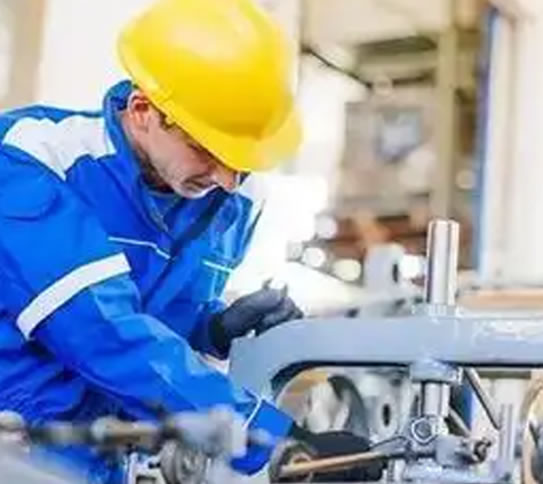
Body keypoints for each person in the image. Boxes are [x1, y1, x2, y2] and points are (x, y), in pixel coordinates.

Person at [0, 0, 383, 482]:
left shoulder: (230, 199)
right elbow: (101, 333)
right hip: (19, 450)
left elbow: (155, 318)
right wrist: (276, 442)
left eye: (242, 161)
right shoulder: (30, 162)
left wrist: (213, 327)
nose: (227, 179)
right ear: (143, 111)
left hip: (110, 458)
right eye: (206, 150)